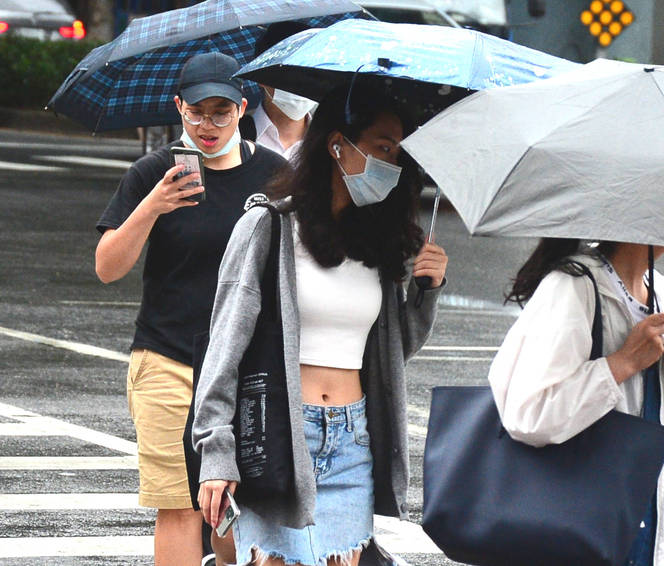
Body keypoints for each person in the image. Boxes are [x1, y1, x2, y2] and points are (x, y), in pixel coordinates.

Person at [192, 83, 448, 566]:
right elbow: (224, 347)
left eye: (398, 152)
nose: (392, 164)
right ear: (337, 145)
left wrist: (426, 292)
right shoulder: (269, 226)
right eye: (383, 147)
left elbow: (391, 353)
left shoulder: (378, 244)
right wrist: (216, 452)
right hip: (282, 434)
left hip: (353, 441)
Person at [94, 51, 287, 566]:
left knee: (235, 506)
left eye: (221, 112)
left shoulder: (275, 175)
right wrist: (151, 207)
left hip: (247, 368)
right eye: (197, 112)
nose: (208, 125)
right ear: (178, 107)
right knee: (179, 506)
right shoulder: (152, 173)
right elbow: (108, 267)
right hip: (168, 360)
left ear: (243, 109)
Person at [488, 239, 664, 566]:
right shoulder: (572, 286)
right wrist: (621, 364)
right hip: (576, 527)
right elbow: (529, 413)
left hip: (651, 532)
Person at [239, 21, 317, 161]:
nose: (301, 82)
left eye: (311, 70)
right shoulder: (234, 137)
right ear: (260, 74)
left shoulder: (333, 139)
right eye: (289, 71)